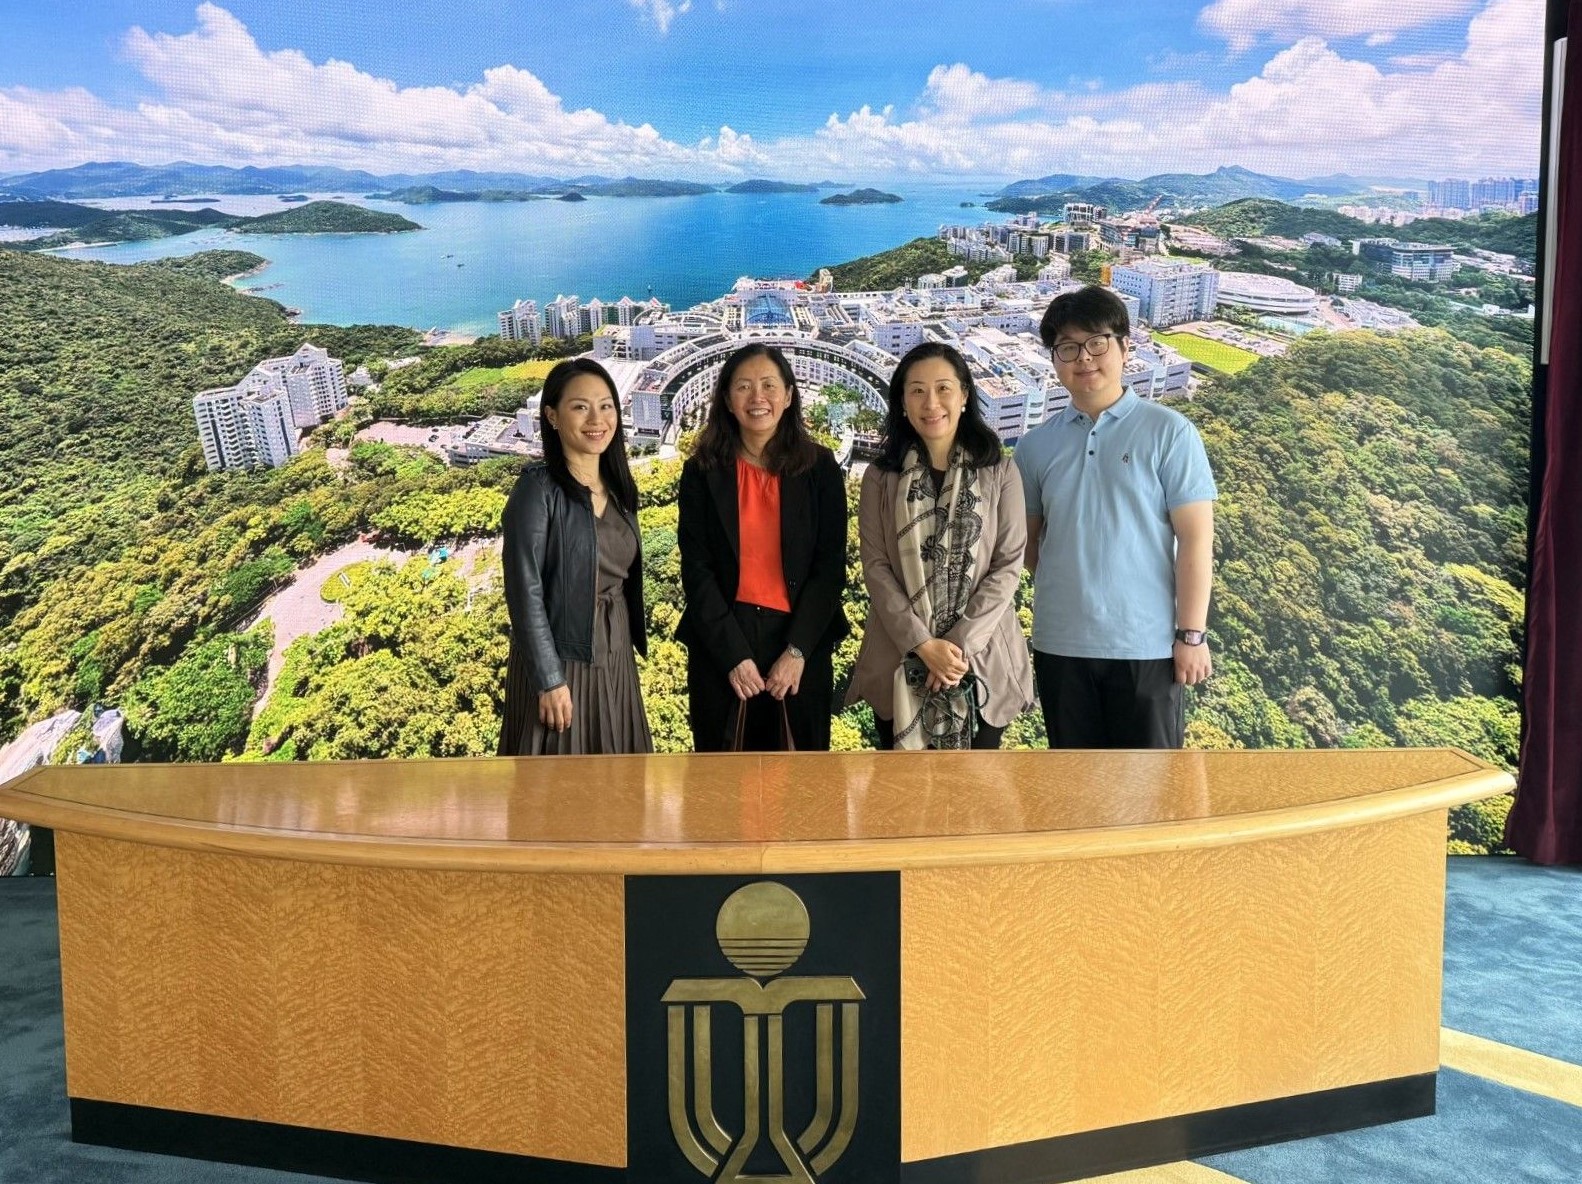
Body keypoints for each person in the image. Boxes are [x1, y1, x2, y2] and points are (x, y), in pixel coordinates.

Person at [1013, 284, 1217, 749]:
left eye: (1096, 343)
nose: (1083, 358)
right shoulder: (1034, 446)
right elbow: (1030, 544)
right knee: (1074, 790)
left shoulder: (1170, 432)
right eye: (1067, 347)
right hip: (1060, 643)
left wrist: (1191, 634)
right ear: (1054, 360)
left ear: (1125, 347)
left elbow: (1196, 541)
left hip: (1146, 645)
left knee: (1149, 794)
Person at [847, 343, 1033, 749]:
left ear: (965, 395)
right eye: (916, 391)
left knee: (974, 798)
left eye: (943, 388)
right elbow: (876, 568)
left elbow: (1007, 566)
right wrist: (921, 644)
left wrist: (954, 649)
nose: (931, 403)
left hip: (981, 659)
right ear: (902, 402)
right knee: (903, 796)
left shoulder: (1000, 471)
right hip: (899, 658)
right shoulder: (880, 478)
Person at [677, 344, 849, 751]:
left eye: (769, 385)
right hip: (723, 642)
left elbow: (829, 568)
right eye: (744, 387)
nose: (758, 398)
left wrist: (797, 651)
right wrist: (733, 656)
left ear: (789, 396)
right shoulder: (702, 471)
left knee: (799, 781)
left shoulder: (820, 468)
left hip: (799, 643)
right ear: (726, 400)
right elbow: (696, 568)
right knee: (722, 781)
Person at [499, 358, 651, 756]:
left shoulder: (618, 486)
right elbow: (524, 591)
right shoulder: (538, 490)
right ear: (551, 416)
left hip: (614, 648)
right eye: (580, 406)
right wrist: (549, 679)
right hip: (563, 655)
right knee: (558, 779)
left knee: (617, 765)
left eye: (606, 406)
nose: (596, 419)